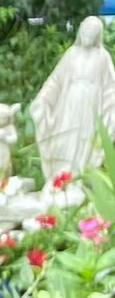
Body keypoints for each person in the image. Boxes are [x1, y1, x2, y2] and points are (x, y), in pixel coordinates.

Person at [30, 13, 115, 182]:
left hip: (91, 107)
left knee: (85, 142)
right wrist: (43, 100)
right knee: (64, 138)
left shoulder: (102, 57)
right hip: (68, 104)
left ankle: (77, 180)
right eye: (86, 32)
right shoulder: (71, 54)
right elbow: (56, 81)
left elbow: (110, 87)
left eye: (92, 34)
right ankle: (60, 177)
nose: (88, 36)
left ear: (97, 36)